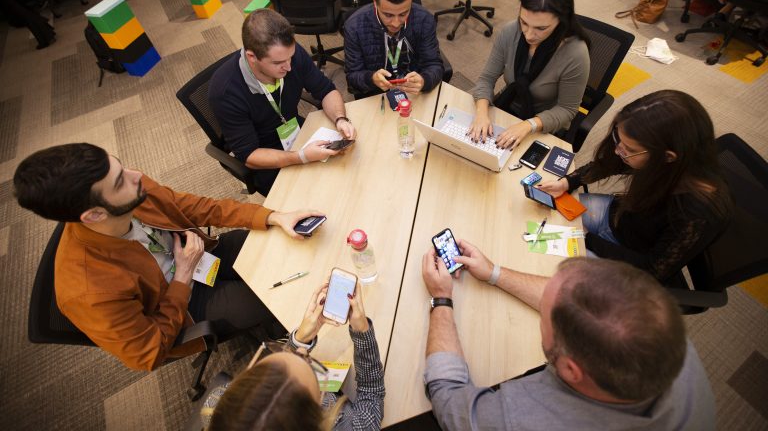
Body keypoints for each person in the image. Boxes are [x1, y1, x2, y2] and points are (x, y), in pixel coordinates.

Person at [13, 143, 319, 371]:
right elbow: (149, 353)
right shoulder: (88, 290)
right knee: (274, 297)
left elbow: (192, 206)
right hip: (180, 304)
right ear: (93, 214)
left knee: (274, 245)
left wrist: (272, 216)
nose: (136, 176)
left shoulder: (133, 189)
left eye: (121, 167)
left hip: (198, 256)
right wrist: (183, 278)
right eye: (120, 181)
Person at [421, 243, 716, 430]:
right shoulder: (659, 328)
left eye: (547, 317)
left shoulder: (521, 418)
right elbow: (580, 303)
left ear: (569, 369)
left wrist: (441, 298)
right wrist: (495, 273)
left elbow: (449, 399)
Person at [538, 90, 731, 284]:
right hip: (616, 216)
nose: (617, 150)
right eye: (618, 140)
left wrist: (586, 238)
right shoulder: (666, 162)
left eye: (629, 150)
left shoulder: (698, 213)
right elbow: (610, 164)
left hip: (629, 258)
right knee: (538, 218)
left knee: (545, 268)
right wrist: (566, 182)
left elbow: (652, 269)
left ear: (667, 157)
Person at [209, 9, 356, 194]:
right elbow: (249, 155)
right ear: (252, 57)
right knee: (317, 195)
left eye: (290, 57)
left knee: (347, 172)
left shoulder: (290, 55)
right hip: (266, 156)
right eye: (278, 63)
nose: (288, 66)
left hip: (295, 130)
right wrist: (301, 157)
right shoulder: (225, 91)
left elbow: (326, 90)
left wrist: (340, 119)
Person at [203, 281, 384, 430]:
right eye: (310, 364)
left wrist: (301, 339)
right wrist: (362, 331)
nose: (302, 352)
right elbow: (371, 396)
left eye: (273, 352)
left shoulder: (216, 406)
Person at [468, 0, 590, 150]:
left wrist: (528, 125)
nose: (529, 35)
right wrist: (481, 113)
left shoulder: (576, 53)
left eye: (541, 28)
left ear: (561, 20)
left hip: (544, 122)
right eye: (524, 22)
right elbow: (486, 78)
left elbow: (567, 110)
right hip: (507, 105)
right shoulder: (511, 31)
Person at [343, 0, 444, 100]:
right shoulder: (354, 27)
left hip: (413, 92)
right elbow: (353, 77)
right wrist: (371, 78)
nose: (396, 23)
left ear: (411, 0)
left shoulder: (424, 19)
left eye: (403, 14)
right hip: (377, 95)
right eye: (388, 15)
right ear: (374, 0)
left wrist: (424, 80)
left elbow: (434, 65)